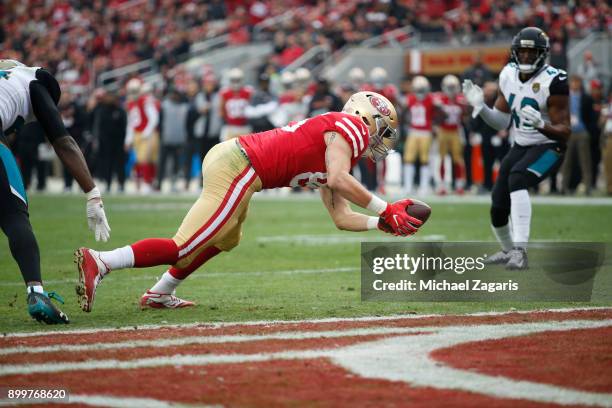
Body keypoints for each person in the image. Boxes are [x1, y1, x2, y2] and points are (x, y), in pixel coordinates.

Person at [75, 91, 422, 311]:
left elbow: (341, 217)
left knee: (227, 238)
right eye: (384, 130)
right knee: (184, 245)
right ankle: (102, 261)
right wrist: (385, 208)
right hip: (240, 165)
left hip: (240, 165)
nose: (382, 139)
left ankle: (160, 293)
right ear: (368, 119)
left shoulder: (336, 149)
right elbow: (338, 180)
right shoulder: (351, 128)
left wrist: (381, 223)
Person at [0, 59, 110, 324]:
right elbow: (64, 141)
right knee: (14, 216)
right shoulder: (34, 83)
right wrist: (92, 192)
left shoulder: (8, 83)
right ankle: (36, 293)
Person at [463, 27, 570, 270]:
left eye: (532, 53)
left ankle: (520, 251)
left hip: (551, 148)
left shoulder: (554, 80)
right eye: (521, 52)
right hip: (520, 146)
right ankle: (508, 250)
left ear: (542, 54)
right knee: (498, 205)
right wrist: (481, 108)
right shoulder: (508, 75)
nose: (525, 57)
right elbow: (502, 121)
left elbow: (565, 130)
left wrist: (541, 124)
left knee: (517, 177)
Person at [560, 75, 597, 195]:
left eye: (577, 82)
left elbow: (591, 117)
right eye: (573, 82)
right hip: (569, 132)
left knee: (585, 161)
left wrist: (588, 131)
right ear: (570, 83)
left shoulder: (586, 98)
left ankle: (587, 187)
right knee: (566, 161)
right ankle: (563, 187)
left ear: (580, 84)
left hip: (582, 132)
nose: (575, 84)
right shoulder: (564, 98)